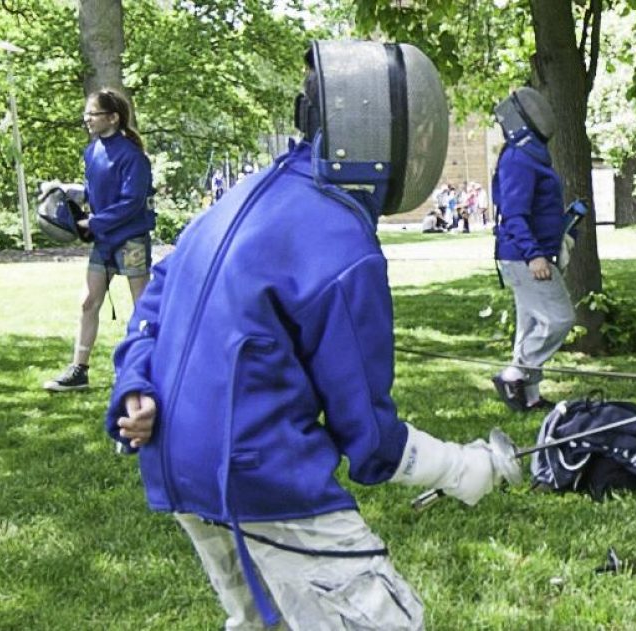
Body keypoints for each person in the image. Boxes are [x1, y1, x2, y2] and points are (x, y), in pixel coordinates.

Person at [105, 41, 521, 630]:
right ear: (382, 132)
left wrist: (133, 386)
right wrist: (461, 467)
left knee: (259, 620)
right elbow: (369, 438)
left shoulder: (246, 196)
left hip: (179, 461)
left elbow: (156, 295)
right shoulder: (342, 245)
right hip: (262, 473)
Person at [44, 89, 155, 392]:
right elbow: (95, 194)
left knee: (142, 306)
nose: (87, 119)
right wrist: (69, 191)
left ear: (113, 117)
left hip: (131, 240)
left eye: (92, 114)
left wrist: (93, 222)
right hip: (105, 241)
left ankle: (149, 368)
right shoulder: (92, 151)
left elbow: (131, 202)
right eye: (87, 114)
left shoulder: (134, 157)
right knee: (88, 302)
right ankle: (79, 370)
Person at [488, 86, 574, 413]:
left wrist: (566, 231)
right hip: (523, 256)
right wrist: (535, 254)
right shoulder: (518, 158)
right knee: (559, 319)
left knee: (531, 325)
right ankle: (514, 375)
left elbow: (539, 209)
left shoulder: (529, 155)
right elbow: (513, 214)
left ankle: (531, 397)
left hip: (529, 253)